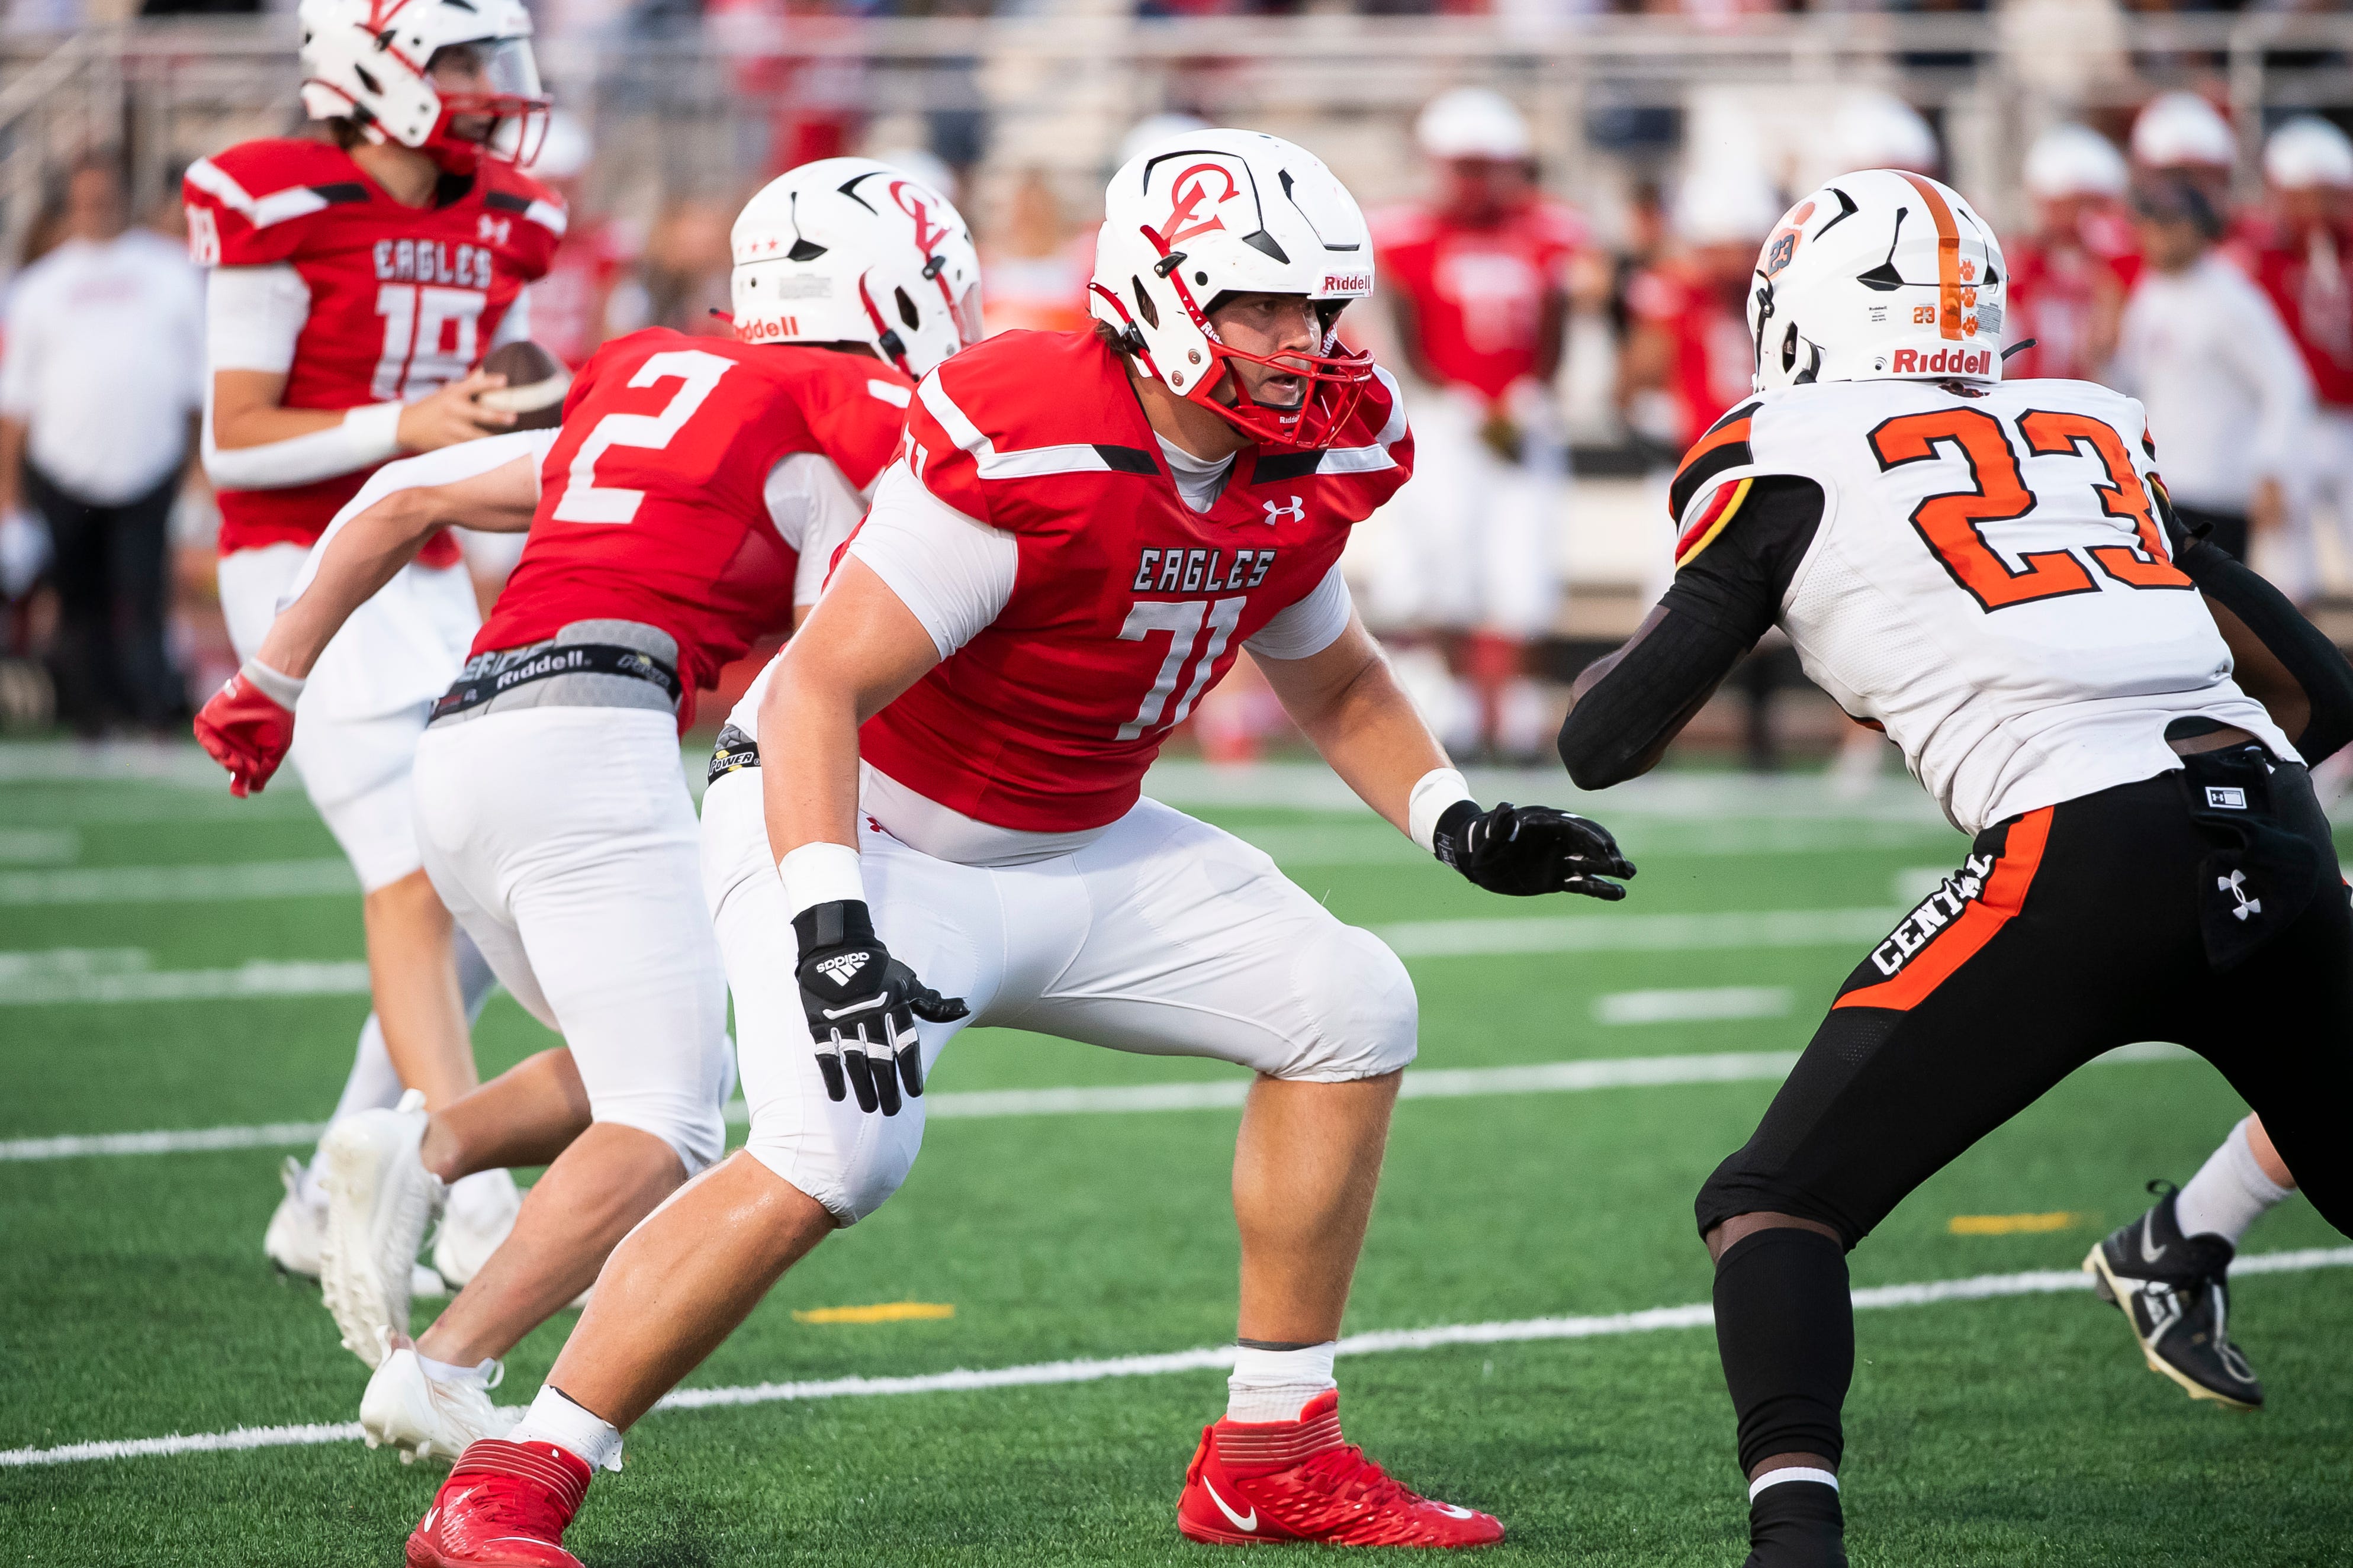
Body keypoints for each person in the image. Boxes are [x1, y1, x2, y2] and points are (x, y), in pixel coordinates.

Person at [400, 127, 1637, 1566]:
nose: (1306, 344)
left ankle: (1268, 1451)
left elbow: (1335, 671)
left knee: (1350, 1004)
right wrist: (828, 918)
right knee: (835, 1151)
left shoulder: (1314, 453)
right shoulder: (1039, 435)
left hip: (1077, 844)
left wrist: (1452, 816)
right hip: (866, 827)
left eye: (1319, 310)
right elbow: (816, 688)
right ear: (1162, 296)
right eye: (1265, 306)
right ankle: (509, 1478)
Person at [1557, 167, 2353, 1568]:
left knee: (1772, 1203)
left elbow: (1605, 738)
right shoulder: (2085, 425)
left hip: (2073, 849)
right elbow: (2322, 691)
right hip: (2276, 828)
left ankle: (1792, 1545)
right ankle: (2182, 1237)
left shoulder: (1777, 449)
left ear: (1797, 314)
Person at [192, 156, 973, 1467]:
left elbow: (403, 495)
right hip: (589, 751)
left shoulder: (655, 374)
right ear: (893, 285)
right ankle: (443, 1370)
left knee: (637, 1069)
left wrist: (268, 678)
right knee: (669, 1124)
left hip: (467, 740)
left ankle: (413, 1143)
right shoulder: (854, 403)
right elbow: (820, 673)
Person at [185, 0, 565, 1290]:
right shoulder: (274, 198)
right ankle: (468, 1195)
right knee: (409, 877)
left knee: (467, 881)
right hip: (293, 565)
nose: (480, 87)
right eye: (452, 61)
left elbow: (468, 404)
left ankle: (338, 1180)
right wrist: (405, 426)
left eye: (485, 59)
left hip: (429, 565)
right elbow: (235, 439)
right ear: (366, 71)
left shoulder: (505, 213)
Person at [1370, 88, 1586, 762]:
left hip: (1522, 417)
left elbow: (1555, 327)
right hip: (1445, 417)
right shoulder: (1408, 234)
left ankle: (1518, 713)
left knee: (1525, 567)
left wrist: (1527, 395)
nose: (1473, 181)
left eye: (1485, 165)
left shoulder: (1546, 230)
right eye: (1462, 165)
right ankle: (1460, 708)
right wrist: (1457, 401)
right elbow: (1406, 333)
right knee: (1447, 562)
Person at [0, 150, 204, 734]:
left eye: (106, 198)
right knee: (79, 601)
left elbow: (197, 383)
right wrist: (9, 498)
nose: (97, 210)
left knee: (144, 595)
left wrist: (197, 472)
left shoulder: (168, 271)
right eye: (86, 200)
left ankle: (148, 710)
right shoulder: (40, 285)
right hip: (62, 465)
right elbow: (15, 403)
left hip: (151, 462)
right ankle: (89, 714)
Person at [2111, 175, 2314, 564]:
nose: (2158, 234)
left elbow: (2286, 384)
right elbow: (2135, 384)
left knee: (2220, 614)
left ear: (2201, 230)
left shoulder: (2231, 299)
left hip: (2220, 489)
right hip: (2163, 485)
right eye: (2150, 223)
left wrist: (2274, 469)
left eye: (2171, 223)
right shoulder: (2148, 292)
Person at [2246, 117, 2353, 603]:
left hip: (2345, 416)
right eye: (2306, 194)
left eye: (2328, 194)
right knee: (2287, 569)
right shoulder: (2258, 255)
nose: (2318, 208)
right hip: (2295, 423)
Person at [2003, 123, 2133, 382]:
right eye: (2072, 205)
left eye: (2093, 204)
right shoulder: (2019, 267)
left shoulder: (2124, 267)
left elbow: (2109, 347)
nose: (2083, 217)